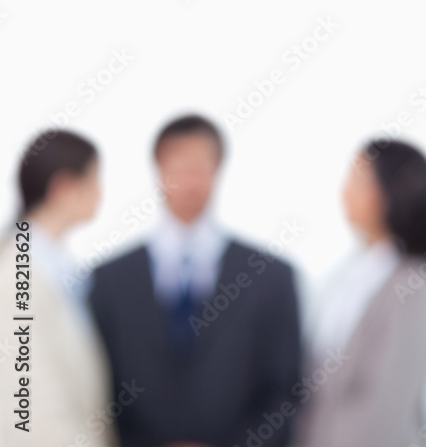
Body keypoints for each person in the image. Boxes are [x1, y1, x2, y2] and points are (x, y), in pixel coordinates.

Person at [89, 114, 301, 447]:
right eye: (179, 167)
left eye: (200, 168)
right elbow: (97, 387)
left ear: (218, 171)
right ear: (159, 171)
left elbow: (286, 389)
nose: (189, 182)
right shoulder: (109, 279)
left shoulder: (270, 276)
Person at [295, 138, 426, 447]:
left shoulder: (417, 287)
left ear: (392, 191)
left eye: (359, 180)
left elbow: (384, 407)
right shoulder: (348, 276)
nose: (345, 192)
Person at [0, 129, 118, 446]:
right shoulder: (14, 277)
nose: (100, 194)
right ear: (64, 187)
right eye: (93, 180)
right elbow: (33, 410)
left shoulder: (53, 268)